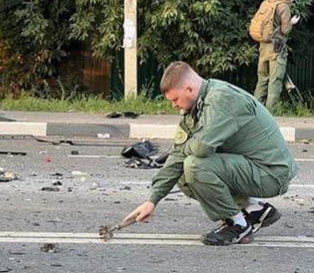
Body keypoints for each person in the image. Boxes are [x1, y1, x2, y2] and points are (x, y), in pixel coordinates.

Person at [126, 62, 298, 245]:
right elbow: (178, 154)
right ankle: (253, 209)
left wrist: (184, 149)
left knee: (195, 165)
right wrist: (152, 201)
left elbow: (202, 147)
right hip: (252, 167)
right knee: (182, 172)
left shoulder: (221, 99)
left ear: (189, 89)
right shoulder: (197, 106)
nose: (173, 105)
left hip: (271, 173)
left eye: (175, 99)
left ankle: (238, 225)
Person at [252, 0, 300, 111]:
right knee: (275, 80)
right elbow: (285, 30)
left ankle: (255, 111)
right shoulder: (284, 6)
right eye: (293, 1)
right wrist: (292, 23)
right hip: (276, 47)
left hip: (263, 45)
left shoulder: (267, 3)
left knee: (262, 79)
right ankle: (270, 112)